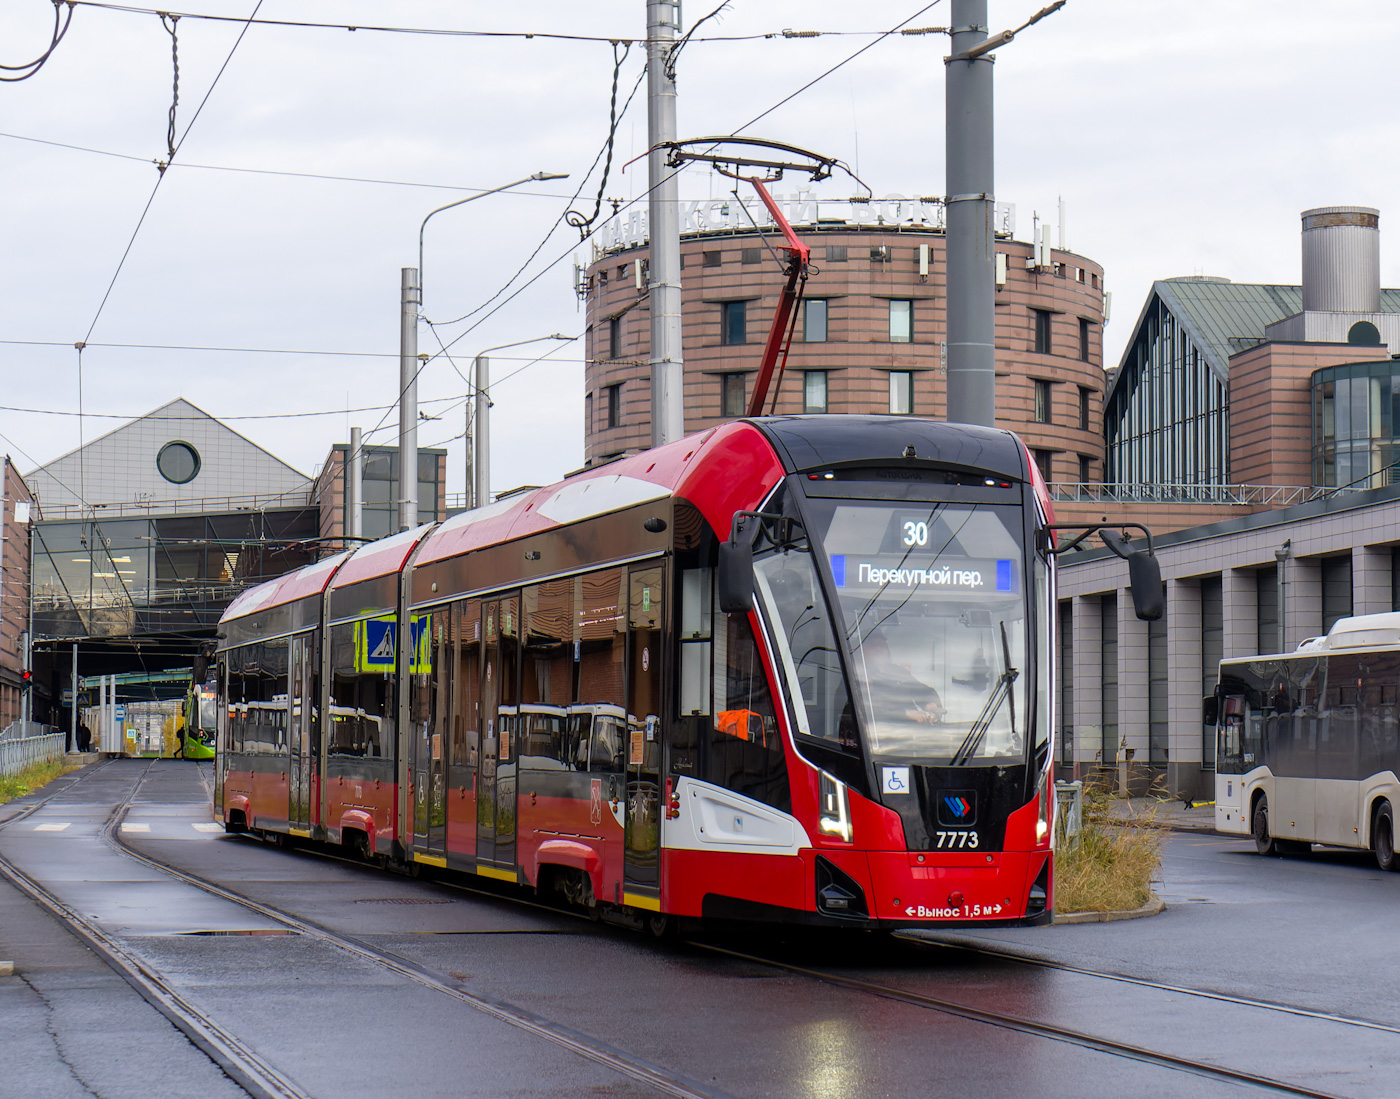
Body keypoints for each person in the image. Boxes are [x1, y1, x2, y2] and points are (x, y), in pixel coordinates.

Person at [860, 633, 944, 724]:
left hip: (911, 733)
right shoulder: (857, 675)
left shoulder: (898, 672)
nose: (879, 649)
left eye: (882, 645)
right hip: (876, 734)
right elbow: (866, 708)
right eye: (874, 645)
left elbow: (921, 690)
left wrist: (932, 704)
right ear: (863, 650)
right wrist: (904, 714)